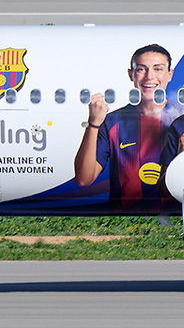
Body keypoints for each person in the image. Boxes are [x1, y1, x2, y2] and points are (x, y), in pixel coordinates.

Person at [74, 43, 177, 212]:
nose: (149, 77)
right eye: (141, 69)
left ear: (169, 74)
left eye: (158, 69)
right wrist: (93, 123)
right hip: (124, 219)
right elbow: (83, 179)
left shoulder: (182, 119)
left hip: (172, 220)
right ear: (131, 75)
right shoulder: (112, 121)